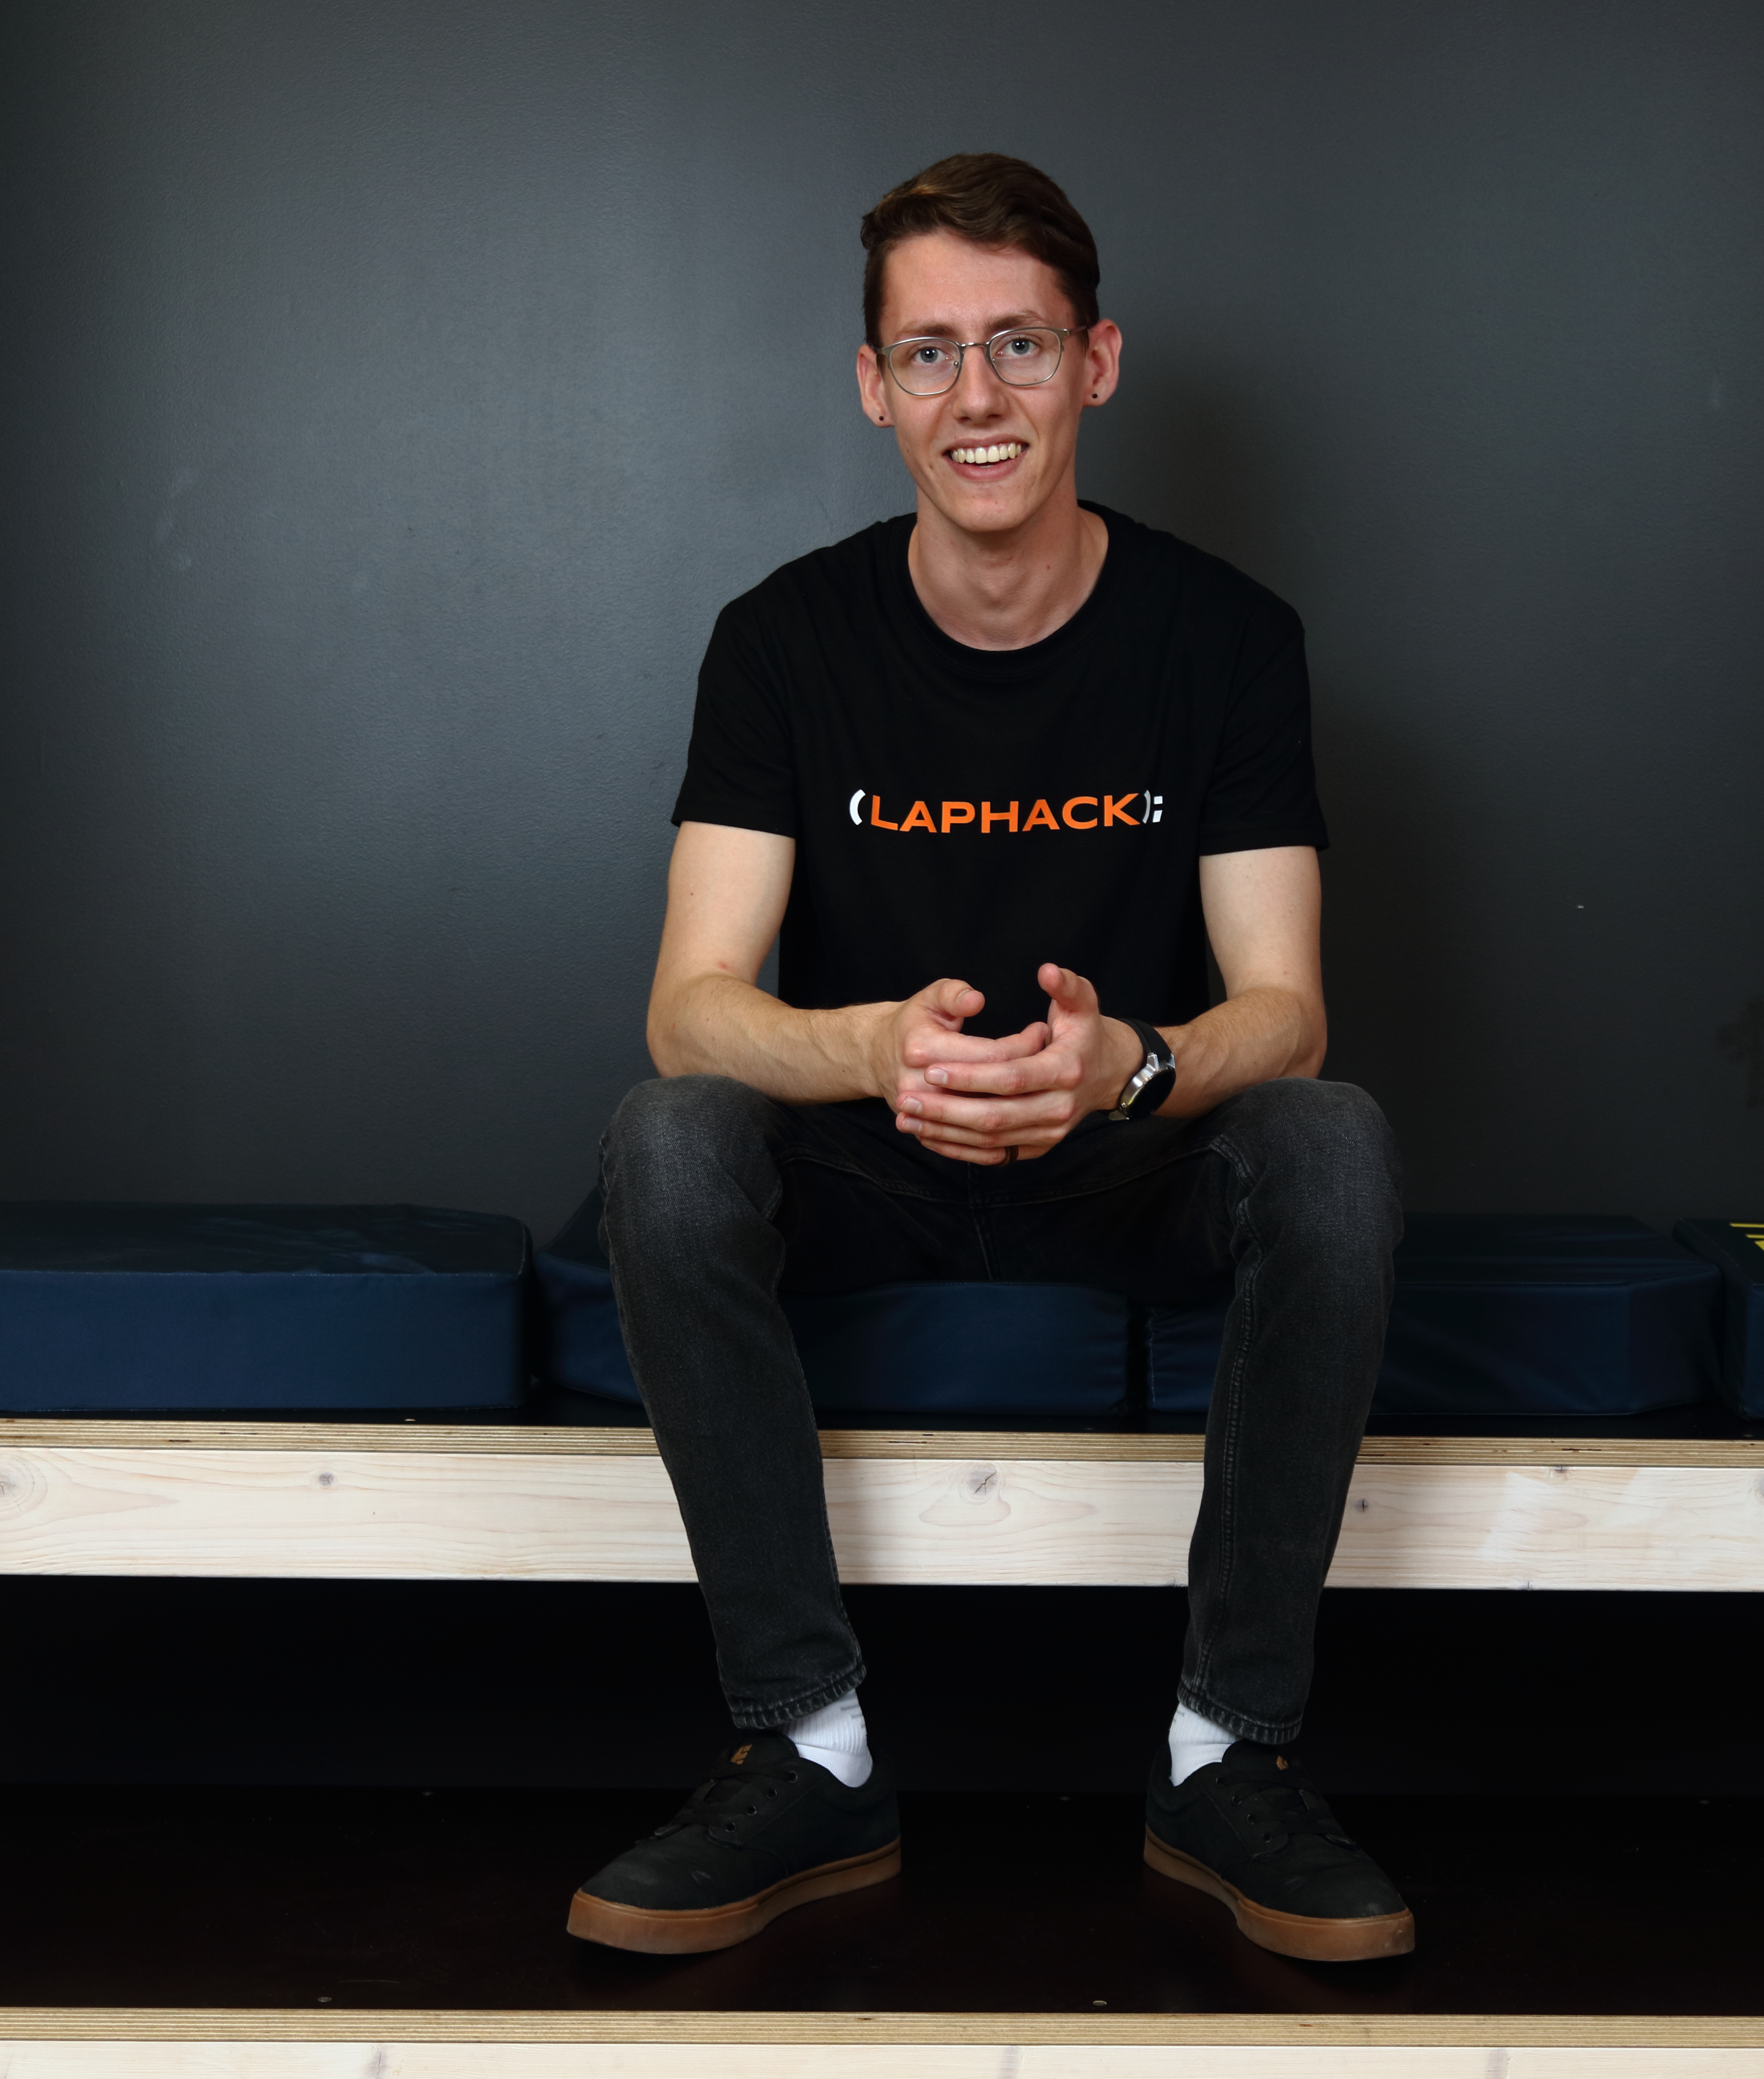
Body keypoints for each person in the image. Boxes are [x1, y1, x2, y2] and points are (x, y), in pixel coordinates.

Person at [563, 153, 1409, 1965]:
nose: (977, 396)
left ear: (1094, 361)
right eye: (929, 352)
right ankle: (807, 1746)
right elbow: (690, 1002)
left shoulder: (1224, 637)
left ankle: (1227, 1755)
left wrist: (1129, 1065)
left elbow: (1286, 1007)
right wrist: (869, 1046)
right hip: (873, 1158)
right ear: (873, 386)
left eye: (1017, 344)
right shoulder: (782, 640)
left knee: (1329, 1135)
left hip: (1121, 1157)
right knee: (669, 1133)